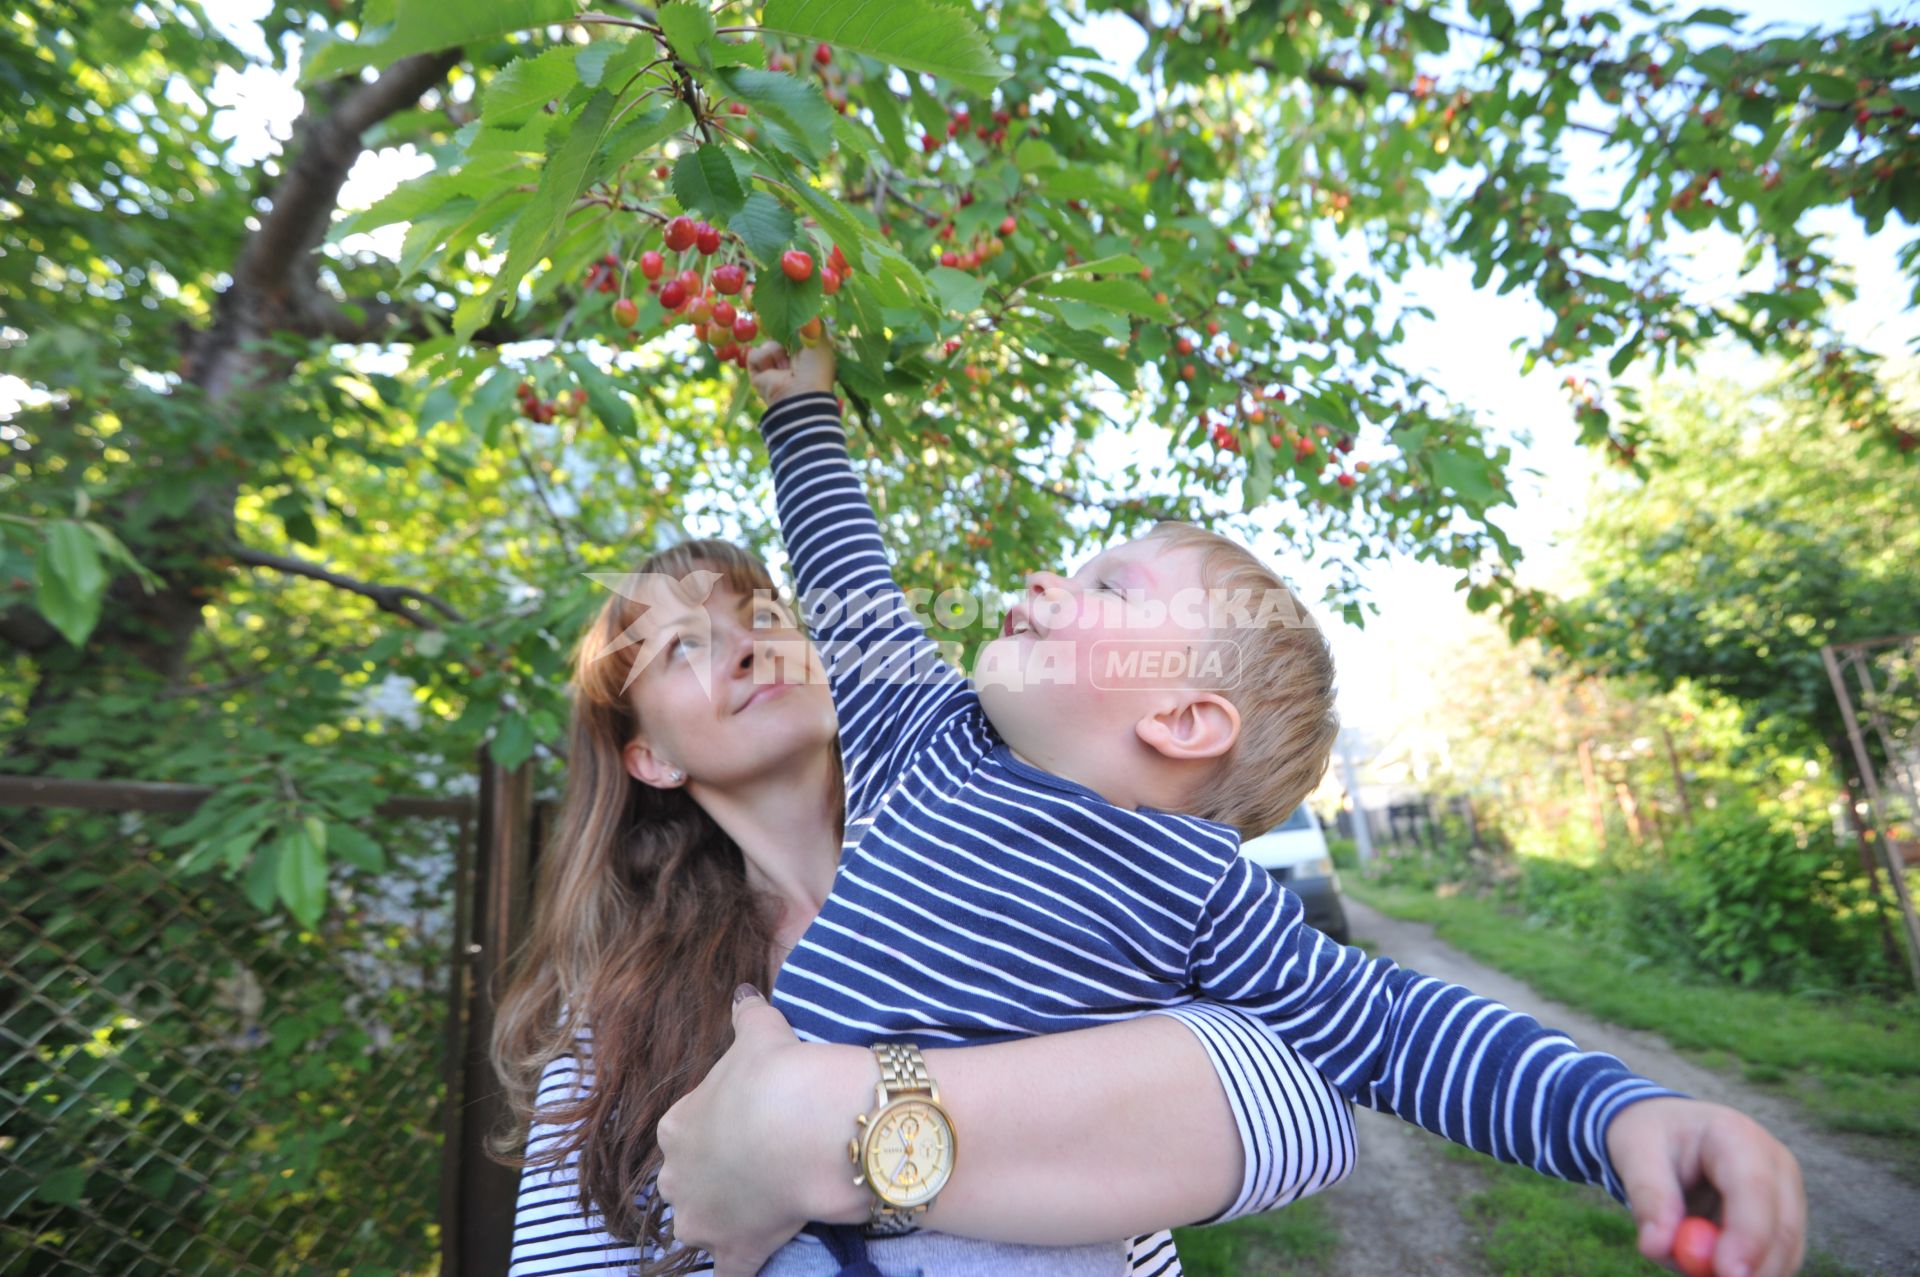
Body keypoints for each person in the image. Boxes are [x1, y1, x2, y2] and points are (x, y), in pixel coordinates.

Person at [692, 333, 1807, 1277]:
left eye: (1105, 587)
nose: (1045, 581)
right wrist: (798, 399)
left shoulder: (1198, 890)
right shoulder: (921, 745)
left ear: (1182, 721)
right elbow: (848, 573)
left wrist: (1619, 1115)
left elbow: (1397, 1027)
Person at [494, 535, 1361, 1277]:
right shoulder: (610, 1011)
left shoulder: (1051, 879)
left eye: (766, 616)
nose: (752, 647)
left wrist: (829, 1132)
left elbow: (1312, 1103)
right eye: (683, 645)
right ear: (651, 758)